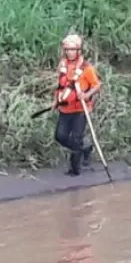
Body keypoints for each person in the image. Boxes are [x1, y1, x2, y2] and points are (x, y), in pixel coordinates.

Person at [53, 33, 102, 176]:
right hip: (65, 108)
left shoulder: (87, 68)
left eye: (72, 49)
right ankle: (84, 149)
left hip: (81, 109)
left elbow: (97, 85)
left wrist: (86, 95)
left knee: (76, 137)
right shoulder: (62, 65)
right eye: (67, 49)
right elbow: (60, 85)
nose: (69, 52)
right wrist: (56, 100)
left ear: (78, 50)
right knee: (60, 136)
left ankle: (75, 169)